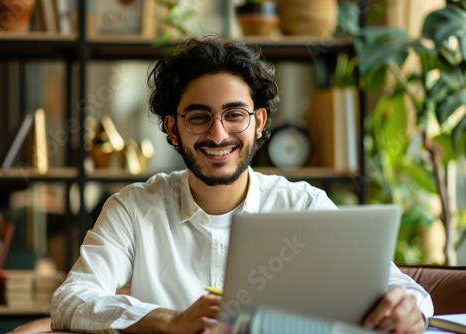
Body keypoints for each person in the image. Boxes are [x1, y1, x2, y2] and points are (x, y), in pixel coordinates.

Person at [51, 36, 433, 334]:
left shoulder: (304, 206)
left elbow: (403, 289)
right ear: (172, 128)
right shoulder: (133, 208)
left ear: (260, 122)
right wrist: (169, 321)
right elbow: (71, 299)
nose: (218, 135)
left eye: (235, 115)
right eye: (199, 117)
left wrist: (409, 309)